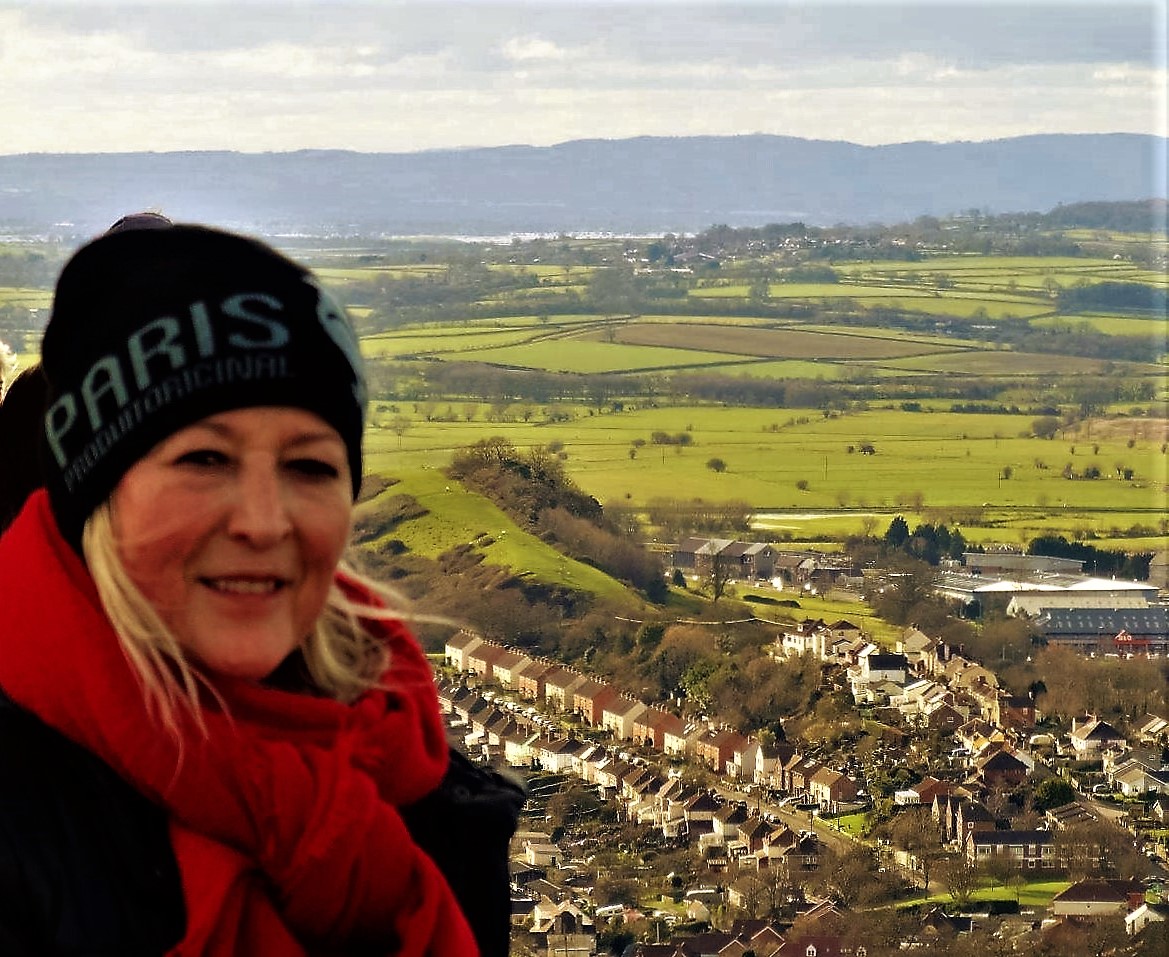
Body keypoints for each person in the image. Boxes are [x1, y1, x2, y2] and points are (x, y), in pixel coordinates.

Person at [0, 223, 482, 955]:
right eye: (203, 458)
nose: (263, 522)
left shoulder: (417, 777)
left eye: (311, 467)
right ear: (92, 496)